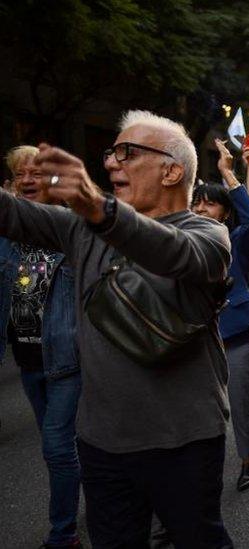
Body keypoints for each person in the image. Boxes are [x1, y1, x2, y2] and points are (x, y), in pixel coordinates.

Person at [0, 111, 234, 547]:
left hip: (184, 440)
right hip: (102, 442)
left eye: (127, 153)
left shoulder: (209, 234)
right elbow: (11, 215)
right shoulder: (81, 228)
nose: (110, 163)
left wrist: (99, 209)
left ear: (172, 170)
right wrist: (91, 212)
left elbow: (173, 252)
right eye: (111, 153)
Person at [1, 146, 82, 549]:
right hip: (27, 360)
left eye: (36, 173)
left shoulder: (69, 229)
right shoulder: (7, 236)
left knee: (55, 445)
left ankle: (62, 534)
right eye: (21, 174)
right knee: (64, 445)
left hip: (65, 360)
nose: (28, 179)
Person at [196, 139, 249, 491]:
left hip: (236, 340)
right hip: (193, 343)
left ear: (224, 212)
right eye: (198, 203)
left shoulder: (237, 239)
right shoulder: (178, 239)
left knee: (239, 404)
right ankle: (197, 479)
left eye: (211, 204)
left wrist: (228, 173)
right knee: (198, 416)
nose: (203, 209)